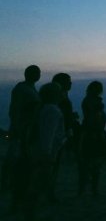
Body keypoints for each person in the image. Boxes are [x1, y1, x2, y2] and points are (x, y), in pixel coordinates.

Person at [24, 82, 67, 220]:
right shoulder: (52, 110)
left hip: (39, 151)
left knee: (36, 183)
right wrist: (47, 155)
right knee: (38, 184)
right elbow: (48, 134)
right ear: (54, 95)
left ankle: (30, 212)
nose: (62, 94)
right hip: (44, 154)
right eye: (60, 91)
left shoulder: (45, 108)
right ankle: (30, 213)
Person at [3, 65, 41, 210]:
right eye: (35, 72)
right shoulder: (21, 89)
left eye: (38, 72)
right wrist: (17, 128)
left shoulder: (31, 89)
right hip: (22, 130)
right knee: (15, 159)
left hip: (29, 130)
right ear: (27, 74)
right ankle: (8, 185)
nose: (38, 74)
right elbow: (15, 110)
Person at [50, 72, 78, 202]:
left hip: (62, 133)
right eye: (68, 81)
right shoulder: (57, 98)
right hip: (57, 134)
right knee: (52, 163)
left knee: (55, 163)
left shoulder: (63, 96)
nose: (71, 83)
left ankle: (50, 191)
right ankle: (49, 192)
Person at [78, 81, 106, 196]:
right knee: (89, 162)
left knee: (94, 162)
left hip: (96, 132)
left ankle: (91, 189)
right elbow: (92, 118)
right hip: (92, 133)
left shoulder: (90, 101)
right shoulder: (90, 102)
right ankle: (87, 189)